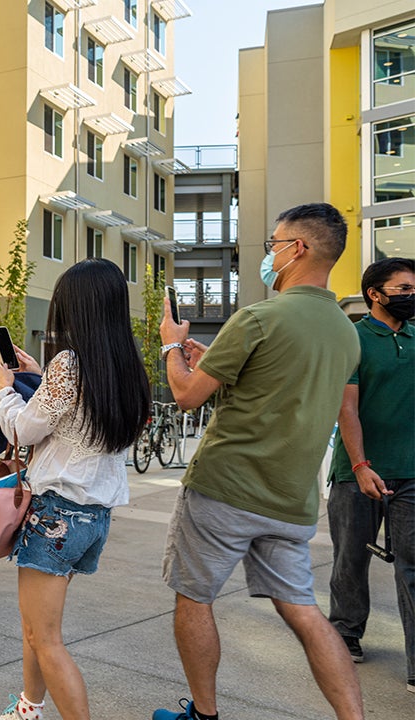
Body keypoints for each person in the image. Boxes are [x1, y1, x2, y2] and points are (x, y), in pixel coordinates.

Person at [153, 203, 364, 720]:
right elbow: (284, 389)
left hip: (225, 488)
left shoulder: (258, 317)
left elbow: (185, 396)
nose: (268, 255)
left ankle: (204, 715)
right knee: (306, 613)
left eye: (273, 244)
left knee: (194, 597)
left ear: (298, 249)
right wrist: (218, 363)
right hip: (291, 500)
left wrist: (170, 348)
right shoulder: (346, 333)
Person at [0, 258, 152, 720]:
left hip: (56, 515)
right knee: (35, 626)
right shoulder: (122, 365)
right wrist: (39, 375)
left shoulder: (70, 364)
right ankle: (28, 708)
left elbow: (24, 429)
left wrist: (5, 387)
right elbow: (74, 417)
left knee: (47, 638)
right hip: (92, 518)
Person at [326, 257, 414, 692]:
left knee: (413, 566)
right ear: (375, 294)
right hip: (355, 472)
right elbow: (347, 408)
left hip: (411, 472)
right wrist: (361, 465)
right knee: (350, 559)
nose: (411, 295)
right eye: (402, 288)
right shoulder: (354, 338)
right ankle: (345, 634)